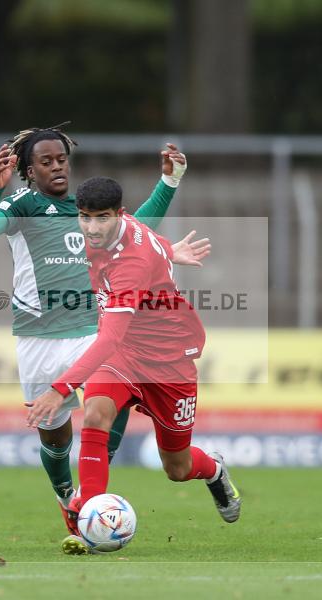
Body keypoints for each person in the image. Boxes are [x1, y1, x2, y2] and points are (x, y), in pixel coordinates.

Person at [0, 123, 188, 536]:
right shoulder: (20, 205)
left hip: (91, 330)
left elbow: (137, 229)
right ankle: (66, 495)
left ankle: (87, 500)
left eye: (62, 160)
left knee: (110, 405)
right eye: (46, 162)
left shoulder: (86, 210)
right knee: (53, 438)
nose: (57, 168)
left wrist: (169, 182)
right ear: (28, 171)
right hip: (37, 338)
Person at [25, 176, 241, 555]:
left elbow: (107, 338)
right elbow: (149, 237)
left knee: (176, 466)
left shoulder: (131, 265)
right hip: (125, 354)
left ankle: (215, 471)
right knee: (94, 416)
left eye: (102, 219)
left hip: (168, 361)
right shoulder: (120, 233)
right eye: (86, 217)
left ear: (118, 215)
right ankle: (88, 524)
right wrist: (170, 252)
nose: (92, 228)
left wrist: (60, 388)